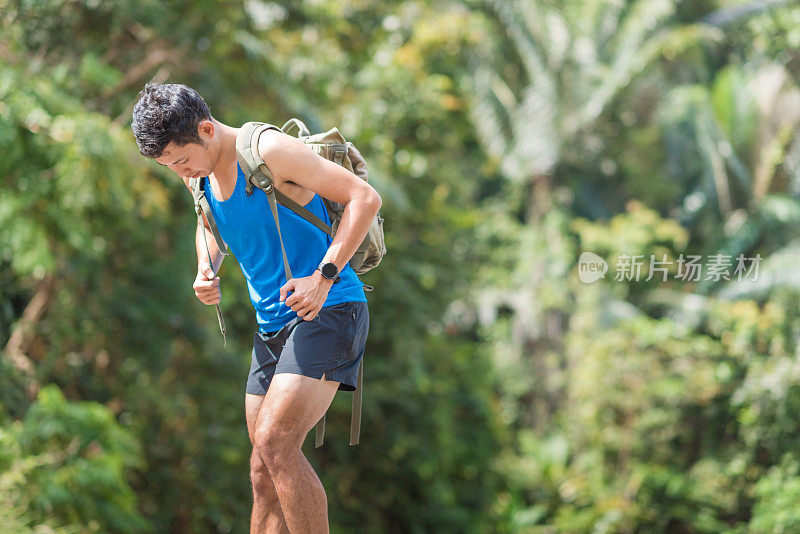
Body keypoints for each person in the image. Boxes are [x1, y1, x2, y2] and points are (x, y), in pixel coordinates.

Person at [131, 82, 380, 533]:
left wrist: (323, 275)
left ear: (207, 129)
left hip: (330, 308)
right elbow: (209, 222)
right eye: (169, 166)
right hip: (272, 326)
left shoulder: (268, 150)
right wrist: (206, 267)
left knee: (276, 442)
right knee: (263, 469)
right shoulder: (199, 173)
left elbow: (364, 198)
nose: (179, 172)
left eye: (182, 160)